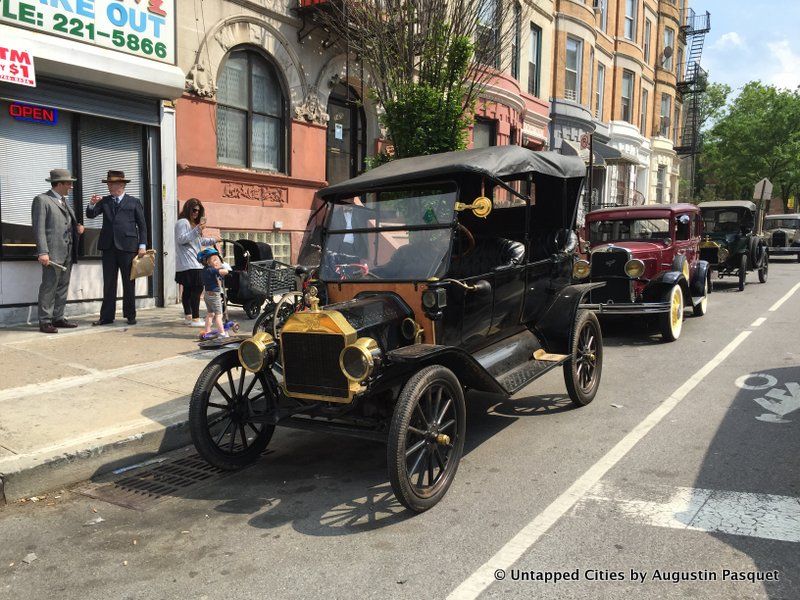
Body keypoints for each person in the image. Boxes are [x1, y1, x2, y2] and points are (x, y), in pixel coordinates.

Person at [86, 170, 147, 326]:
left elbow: (142, 225)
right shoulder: (105, 201)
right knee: (109, 282)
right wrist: (92, 203)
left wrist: (142, 245)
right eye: (108, 184)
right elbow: (91, 215)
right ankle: (106, 316)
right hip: (108, 247)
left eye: (112, 184)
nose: (109, 186)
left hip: (128, 247)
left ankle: (130, 314)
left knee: (129, 282)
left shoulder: (133, 202)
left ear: (121, 184)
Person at [31, 169, 85, 333]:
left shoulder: (65, 202)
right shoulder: (42, 200)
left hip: (67, 251)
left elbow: (64, 224)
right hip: (52, 252)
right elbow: (38, 228)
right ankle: (45, 321)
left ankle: (58, 317)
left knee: (63, 285)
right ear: (59, 183)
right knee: (49, 286)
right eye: (68, 183)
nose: (71, 187)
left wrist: (77, 229)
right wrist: (42, 251)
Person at [175, 198, 218, 326]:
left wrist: (214, 240)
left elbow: (199, 242)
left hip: (192, 262)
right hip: (189, 262)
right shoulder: (183, 222)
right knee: (197, 289)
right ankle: (195, 318)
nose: (196, 213)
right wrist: (197, 230)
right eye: (194, 210)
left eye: (198, 211)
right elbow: (181, 239)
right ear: (188, 209)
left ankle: (189, 317)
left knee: (189, 290)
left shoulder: (193, 225)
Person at [198, 248, 229, 338]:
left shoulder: (204, 270)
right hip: (214, 295)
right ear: (207, 262)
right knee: (219, 315)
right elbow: (224, 272)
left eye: (217, 260)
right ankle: (222, 333)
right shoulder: (211, 270)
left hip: (207, 295)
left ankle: (207, 330)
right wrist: (226, 269)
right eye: (214, 260)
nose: (216, 262)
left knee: (210, 314)